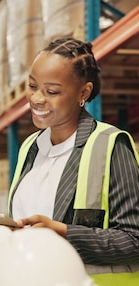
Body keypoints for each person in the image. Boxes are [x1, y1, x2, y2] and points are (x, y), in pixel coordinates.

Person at [8, 37, 139, 285]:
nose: (36, 99)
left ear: (83, 92)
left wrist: (64, 233)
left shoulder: (110, 144)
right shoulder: (30, 147)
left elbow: (134, 239)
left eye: (52, 91)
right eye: (33, 86)